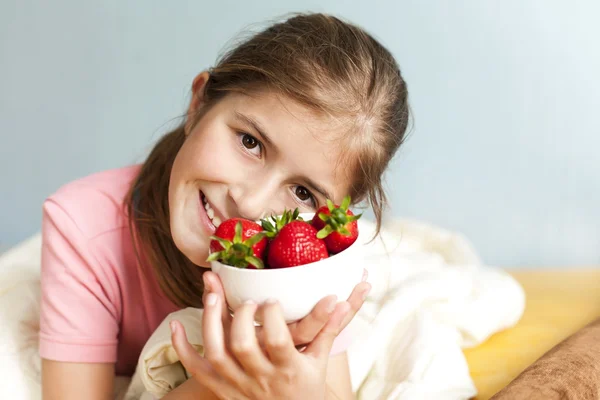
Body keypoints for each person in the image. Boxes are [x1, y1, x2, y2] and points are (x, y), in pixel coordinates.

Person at [39, 13, 410, 399]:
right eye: (250, 142)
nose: (250, 204)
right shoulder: (82, 226)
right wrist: (229, 382)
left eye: (303, 193)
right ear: (199, 103)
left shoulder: (307, 259)